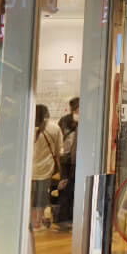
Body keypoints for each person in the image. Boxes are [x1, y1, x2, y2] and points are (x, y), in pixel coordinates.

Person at [31, 105, 63, 230]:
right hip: (46, 168)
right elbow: (58, 151)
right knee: (42, 196)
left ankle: (31, 221)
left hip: (29, 169)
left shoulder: (28, 125)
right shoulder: (54, 128)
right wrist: (61, 170)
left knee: (30, 197)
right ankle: (38, 222)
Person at [55, 97, 80, 229]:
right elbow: (60, 141)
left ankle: (68, 217)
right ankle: (63, 217)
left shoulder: (83, 121)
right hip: (67, 159)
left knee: (72, 188)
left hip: (76, 160)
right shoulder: (64, 121)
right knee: (65, 187)